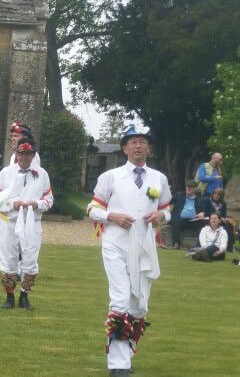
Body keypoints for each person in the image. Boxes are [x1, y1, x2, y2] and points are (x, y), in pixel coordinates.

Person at [86, 125, 172, 376]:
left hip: (144, 248)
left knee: (139, 305)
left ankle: (127, 351)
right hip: (115, 244)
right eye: (133, 142)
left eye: (142, 142)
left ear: (149, 148)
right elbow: (91, 209)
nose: (138, 146)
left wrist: (161, 215)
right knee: (121, 298)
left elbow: (168, 208)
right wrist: (112, 216)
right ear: (124, 147)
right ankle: (118, 363)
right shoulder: (111, 176)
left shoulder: (159, 178)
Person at [0, 137, 51, 310]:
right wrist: (12, 204)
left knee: (30, 259)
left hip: (32, 222)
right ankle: (9, 297)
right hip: (10, 222)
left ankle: (24, 295)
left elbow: (49, 199)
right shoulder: (6, 173)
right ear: (16, 154)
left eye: (28, 154)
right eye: (21, 154)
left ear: (33, 155)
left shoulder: (42, 174)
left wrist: (36, 204)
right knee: (8, 259)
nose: (24, 158)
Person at [167, 182, 207, 250]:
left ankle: (199, 245)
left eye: (191, 187)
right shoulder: (179, 195)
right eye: (187, 186)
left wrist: (203, 213)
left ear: (195, 189)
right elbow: (168, 201)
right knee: (176, 221)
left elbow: (204, 211)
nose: (188, 188)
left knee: (202, 223)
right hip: (180, 219)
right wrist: (167, 193)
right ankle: (176, 244)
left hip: (193, 220)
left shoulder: (199, 199)